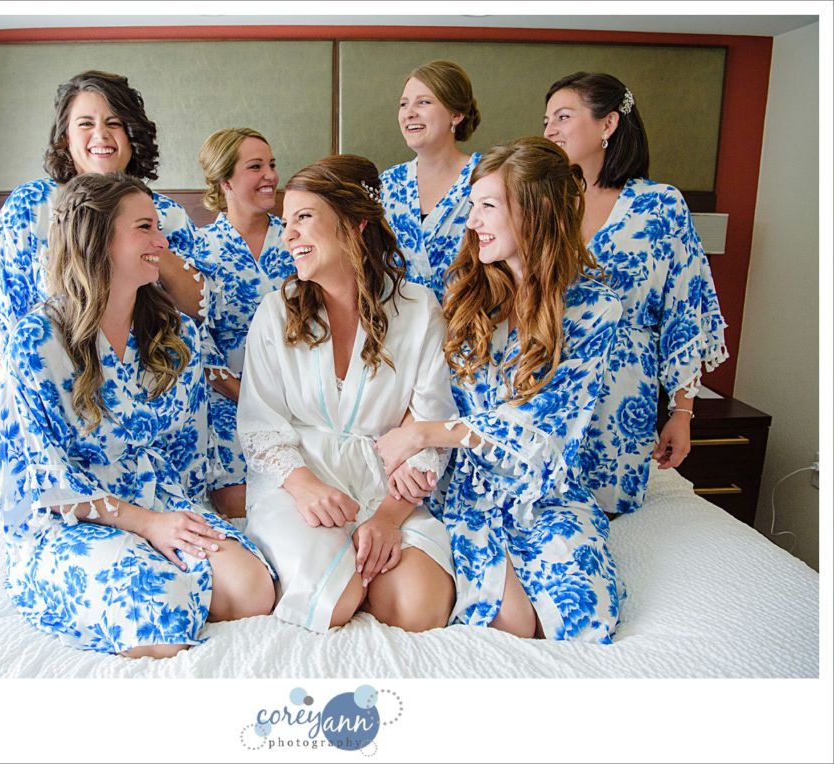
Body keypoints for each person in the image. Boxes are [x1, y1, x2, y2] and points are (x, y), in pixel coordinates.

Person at [0, 172, 275, 658]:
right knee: (158, 614)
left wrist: (176, 519)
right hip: (75, 517)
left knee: (252, 589)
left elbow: (193, 446)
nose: (161, 242)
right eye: (144, 228)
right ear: (98, 238)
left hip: (161, 501)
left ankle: (153, 569)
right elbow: (44, 479)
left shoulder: (177, 334)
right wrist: (144, 527)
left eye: (159, 227)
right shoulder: (38, 341)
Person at [375, 138, 623, 642]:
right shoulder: (467, 294)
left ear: (536, 211)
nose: (472, 222)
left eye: (487, 206)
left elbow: (543, 429)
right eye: (473, 205)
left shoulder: (595, 311)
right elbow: (431, 387)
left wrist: (425, 432)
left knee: (586, 623)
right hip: (471, 490)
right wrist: (413, 434)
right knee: (508, 621)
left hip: (545, 492)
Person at [238, 155, 457, 634]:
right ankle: (340, 570)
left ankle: (365, 565)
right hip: (298, 482)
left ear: (355, 224)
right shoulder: (276, 312)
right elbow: (260, 424)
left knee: (420, 607)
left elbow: (428, 430)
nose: (289, 234)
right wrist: (304, 486)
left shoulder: (418, 309)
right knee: (333, 598)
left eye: (304, 218)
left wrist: (386, 519)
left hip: (384, 486)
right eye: (285, 221)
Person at [543, 72, 728, 515]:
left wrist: (681, 413)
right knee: (544, 507)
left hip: (624, 385)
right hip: (548, 375)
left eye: (562, 117)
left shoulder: (660, 205)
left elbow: (686, 310)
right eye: (546, 119)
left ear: (608, 124)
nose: (549, 130)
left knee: (609, 512)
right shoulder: (546, 201)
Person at [0, 70, 205, 388]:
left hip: (151, 395)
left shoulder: (168, 216)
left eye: (114, 123)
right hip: (55, 394)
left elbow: (197, 308)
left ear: (133, 135)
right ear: (66, 138)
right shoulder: (32, 207)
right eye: (86, 124)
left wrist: (148, 238)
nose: (101, 135)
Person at [191, 128, 294, 518]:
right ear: (225, 181)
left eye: (271, 165)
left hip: (295, 398)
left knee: (296, 511)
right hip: (225, 404)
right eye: (255, 167)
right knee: (242, 515)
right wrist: (248, 397)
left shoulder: (297, 238)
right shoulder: (197, 250)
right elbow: (194, 339)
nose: (270, 175)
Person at [380, 60, 482, 303]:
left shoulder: (487, 178)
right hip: (400, 328)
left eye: (423, 102)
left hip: (469, 324)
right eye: (403, 104)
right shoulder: (388, 184)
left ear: (456, 114)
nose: (409, 113)